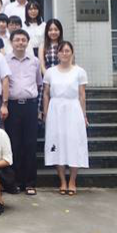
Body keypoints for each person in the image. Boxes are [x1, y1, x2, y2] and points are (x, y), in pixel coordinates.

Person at [43, 41, 89, 196]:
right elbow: (46, 94)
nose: (64, 53)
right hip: (55, 110)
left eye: (67, 51)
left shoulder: (79, 71)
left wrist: (84, 115)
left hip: (73, 109)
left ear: (72, 53)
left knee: (74, 143)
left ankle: (72, 181)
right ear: (57, 54)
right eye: (61, 51)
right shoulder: (50, 72)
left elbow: (82, 95)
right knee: (57, 144)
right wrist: (45, 113)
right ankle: (62, 180)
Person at [5, 30, 42, 195]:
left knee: (30, 144)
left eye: (23, 40)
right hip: (12, 106)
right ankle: (15, 182)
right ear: (11, 42)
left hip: (30, 106)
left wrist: (39, 109)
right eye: (17, 40)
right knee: (14, 144)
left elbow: (39, 84)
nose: (20, 43)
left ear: (27, 42)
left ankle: (30, 183)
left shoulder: (35, 61)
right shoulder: (4, 60)